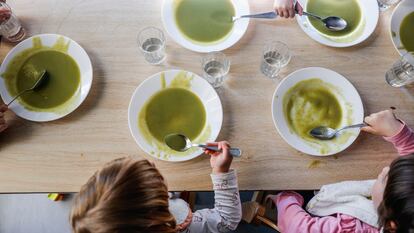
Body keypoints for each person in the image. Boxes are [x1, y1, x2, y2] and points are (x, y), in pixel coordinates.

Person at [271, 110, 414, 233]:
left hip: (313, 205)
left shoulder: (349, 229)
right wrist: (398, 132)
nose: (384, 169)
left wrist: (286, 197)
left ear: (391, 224)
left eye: (384, 179)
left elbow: (297, 227)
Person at [70, 141, 242, 233]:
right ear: (156, 218)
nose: (153, 162)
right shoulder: (182, 226)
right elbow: (227, 220)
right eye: (158, 180)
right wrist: (221, 171)